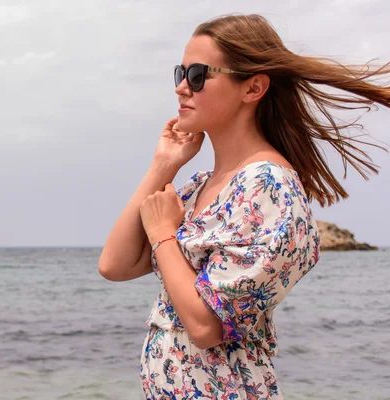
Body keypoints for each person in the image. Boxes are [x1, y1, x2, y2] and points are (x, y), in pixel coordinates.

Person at [98, 13, 390, 399]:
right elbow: (114, 265)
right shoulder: (203, 185)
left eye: (199, 75)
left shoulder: (269, 188)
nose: (182, 88)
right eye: (180, 73)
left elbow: (206, 328)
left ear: (252, 88)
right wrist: (163, 165)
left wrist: (163, 234)